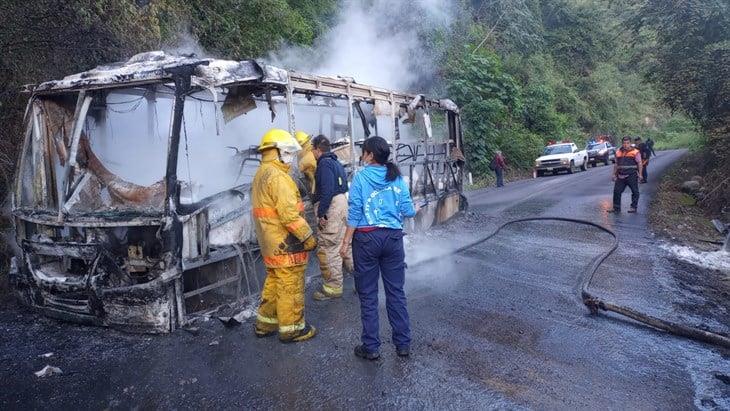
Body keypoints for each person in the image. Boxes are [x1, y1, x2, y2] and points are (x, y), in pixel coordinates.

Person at [339, 136, 417, 360]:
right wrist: (415, 208)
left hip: (366, 239)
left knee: (368, 294)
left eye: (363, 152)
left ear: (370, 155)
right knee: (396, 292)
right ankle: (403, 344)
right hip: (393, 239)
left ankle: (371, 347)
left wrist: (345, 242)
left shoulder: (361, 177)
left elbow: (354, 212)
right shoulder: (397, 178)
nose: (362, 156)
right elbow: (408, 210)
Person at [252, 128, 318, 343]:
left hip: (270, 241)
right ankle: (292, 329)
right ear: (274, 152)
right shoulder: (279, 177)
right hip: (286, 242)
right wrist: (308, 237)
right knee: (290, 285)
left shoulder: (262, 173)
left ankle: (265, 323)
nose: (290, 156)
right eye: (287, 152)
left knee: (274, 281)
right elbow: (290, 216)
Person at [309, 135, 353, 301]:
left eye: (312, 149)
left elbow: (327, 191)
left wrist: (321, 214)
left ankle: (333, 288)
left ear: (317, 149)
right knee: (344, 244)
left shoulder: (324, 164)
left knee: (329, 246)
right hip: (342, 204)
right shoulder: (335, 161)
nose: (311, 153)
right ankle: (362, 277)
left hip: (332, 206)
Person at [611, 136, 643, 213]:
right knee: (616, 191)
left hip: (631, 174)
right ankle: (616, 208)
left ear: (630, 143)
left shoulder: (635, 152)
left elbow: (640, 163)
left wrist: (640, 174)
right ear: (622, 143)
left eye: (627, 143)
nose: (626, 145)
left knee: (635, 191)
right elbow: (616, 164)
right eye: (624, 143)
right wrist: (614, 174)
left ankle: (633, 207)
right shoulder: (618, 152)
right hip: (620, 175)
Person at [296, 131, 317, 195]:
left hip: (313, 189)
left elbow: (296, 174)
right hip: (315, 186)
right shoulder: (311, 152)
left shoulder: (305, 160)